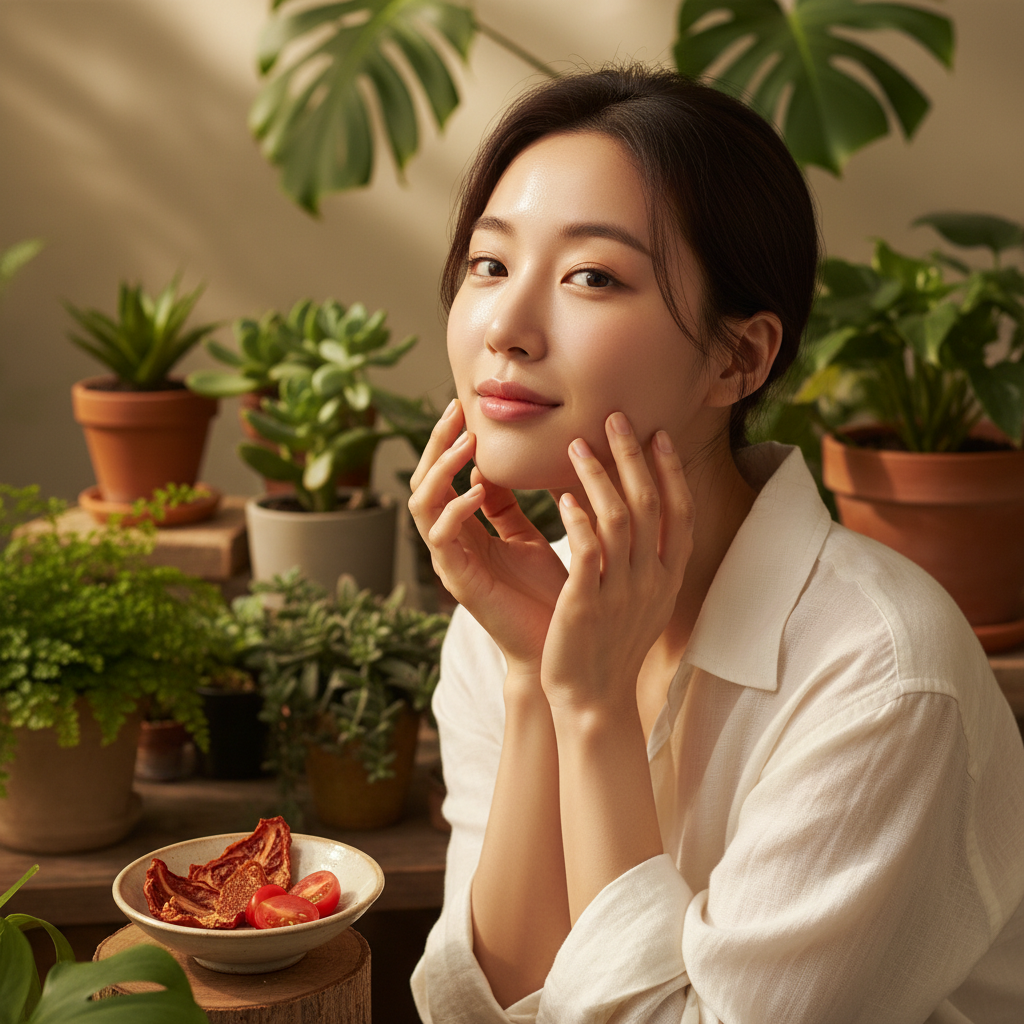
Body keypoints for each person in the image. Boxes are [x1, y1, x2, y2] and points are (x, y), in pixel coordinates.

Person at [407, 65, 1024, 1024]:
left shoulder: (884, 676)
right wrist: (535, 685)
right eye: (489, 265)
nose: (506, 328)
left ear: (738, 358)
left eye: (591, 277)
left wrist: (595, 706)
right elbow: (486, 1009)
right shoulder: (514, 616)